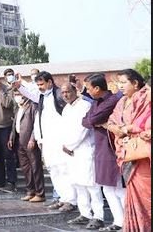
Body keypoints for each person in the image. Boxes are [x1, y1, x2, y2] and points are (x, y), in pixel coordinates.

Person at [12, 71, 74, 212]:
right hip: (47, 140)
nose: (39, 87)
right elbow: (31, 94)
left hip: (60, 139)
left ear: (50, 82)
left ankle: (71, 200)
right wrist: (19, 87)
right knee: (53, 169)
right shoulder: (42, 96)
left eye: (41, 84)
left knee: (63, 169)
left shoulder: (58, 94)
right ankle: (62, 198)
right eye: (38, 84)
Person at [107, 69, 151, 232]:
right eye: (119, 83)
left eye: (124, 82)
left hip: (142, 156)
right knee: (132, 193)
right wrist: (114, 128)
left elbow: (146, 123)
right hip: (127, 153)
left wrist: (127, 129)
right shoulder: (122, 102)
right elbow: (111, 120)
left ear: (135, 83)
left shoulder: (147, 98)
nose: (120, 86)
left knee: (147, 194)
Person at [81, 73, 124, 232]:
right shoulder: (96, 102)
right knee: (107, 188)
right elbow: (85, 121)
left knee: (118, 187)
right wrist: (98, 122)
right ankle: (118, 221)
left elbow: (91, 120)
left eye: (88, 88)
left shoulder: (112, 100)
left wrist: (95, 121)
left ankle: (127, 222)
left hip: (111, 149)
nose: (87, 91)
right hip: (101, 149)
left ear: (98, 88)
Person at [59, 83, 104, 230]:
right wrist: (65, 146)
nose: (65, 95)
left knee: (91, 185)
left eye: (68, 92)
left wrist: (70, 146)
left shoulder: (84, 105)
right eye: (63, 92)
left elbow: (83, 129)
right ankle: (85, 214)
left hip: (84, 149)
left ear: (75, 91)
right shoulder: (66, 108)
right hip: (70, 152)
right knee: (78, 184)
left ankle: (98, 216)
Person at [8, 89, 45, 202]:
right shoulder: (19, 108)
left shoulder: (33, 106)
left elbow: (36, 124)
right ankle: (30, 191)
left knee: (35, 167)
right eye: (15, 94)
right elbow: (15, 124)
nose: (17, 96)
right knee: (26, 168)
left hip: (29, 141)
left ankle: (40, 193)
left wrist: (33, 139)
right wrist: (11, 138)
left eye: (19, 94)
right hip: (19, 140)